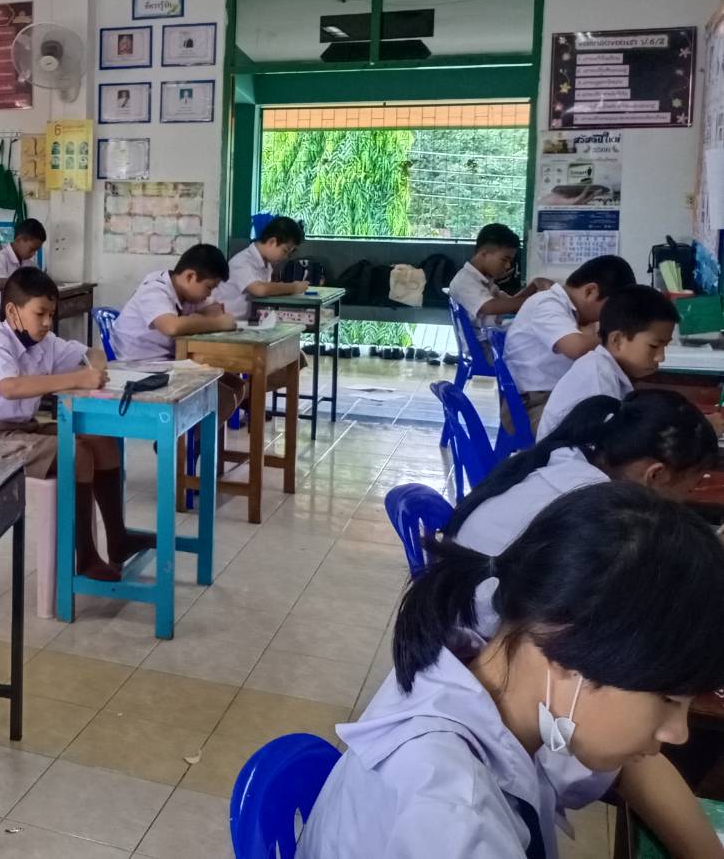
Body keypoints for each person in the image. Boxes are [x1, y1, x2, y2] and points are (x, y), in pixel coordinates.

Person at [303, 483, 724, 859]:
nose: (679, 733)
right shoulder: (453, 817)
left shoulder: (510, 672)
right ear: (566, 654)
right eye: (668, 699)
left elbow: (633, 766)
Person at [0, 268, 149, 581]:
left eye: (51, 314)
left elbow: (92, 353)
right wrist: (76, 379)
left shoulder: (44, 342)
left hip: (24, 428)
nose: (48, 322)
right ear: (12, 311)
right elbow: (10, 387)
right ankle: (85, 556)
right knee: (77, 452)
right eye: (40, 313)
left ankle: (118, 539)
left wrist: (94, 369)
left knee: (102, 439)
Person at [449, 390, 717, 558]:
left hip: (464, 603)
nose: (687, 498)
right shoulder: (600, 508)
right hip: (483, 624)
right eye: (691, 487)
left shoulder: (570, 458)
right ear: (655, 475)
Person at [113, 243, 246, 436]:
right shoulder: (154, 290)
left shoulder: (189, 294)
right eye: (209, 287)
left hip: (169, 363)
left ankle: (190, 439)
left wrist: (195, 320)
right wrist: (217, 323)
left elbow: (216, 309)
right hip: (141, 368)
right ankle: (178, 440)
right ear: (190, 276)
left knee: (236, 385)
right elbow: (172, 327)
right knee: (222, 396)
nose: (209, 294)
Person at [501, 254, 636, 433]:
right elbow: (576, 348)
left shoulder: (569, 312)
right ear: (590, 291)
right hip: (530, 406)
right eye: (610, 309)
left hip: (550, 397)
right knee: (609, 432)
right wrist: (616, 337)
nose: (607, 317)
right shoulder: (547, 303)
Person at [536, 285, 678, 437]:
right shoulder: (597, 381)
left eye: (665, 346)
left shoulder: (604, 369)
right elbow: (606, 444)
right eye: (654, 346)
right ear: (617, 340)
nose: (661, 357)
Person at [447, 223, 551, 347]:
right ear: (484, 254)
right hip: (486, 347)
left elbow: (510, 304)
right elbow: (490, 306)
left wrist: (533, 286)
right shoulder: (464, 280)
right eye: (504, 260)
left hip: (494, 338)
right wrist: (537, 300)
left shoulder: (484, 280)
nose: (507, 266)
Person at [213, 216, 309, 322]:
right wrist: (294, 287)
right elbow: (260, 289)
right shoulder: (242, 261)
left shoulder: (267, 265)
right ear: (272, 242)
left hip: (245, 323)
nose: (285, 257)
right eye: (285, 251)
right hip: (225, 322)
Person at [0, 218, 46, 310]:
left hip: (14, 311)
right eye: (32, 249)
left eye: (36, 250)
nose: (33, 254)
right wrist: (23, 282)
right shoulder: (2, 258)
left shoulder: (29, 263)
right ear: (19, 239)